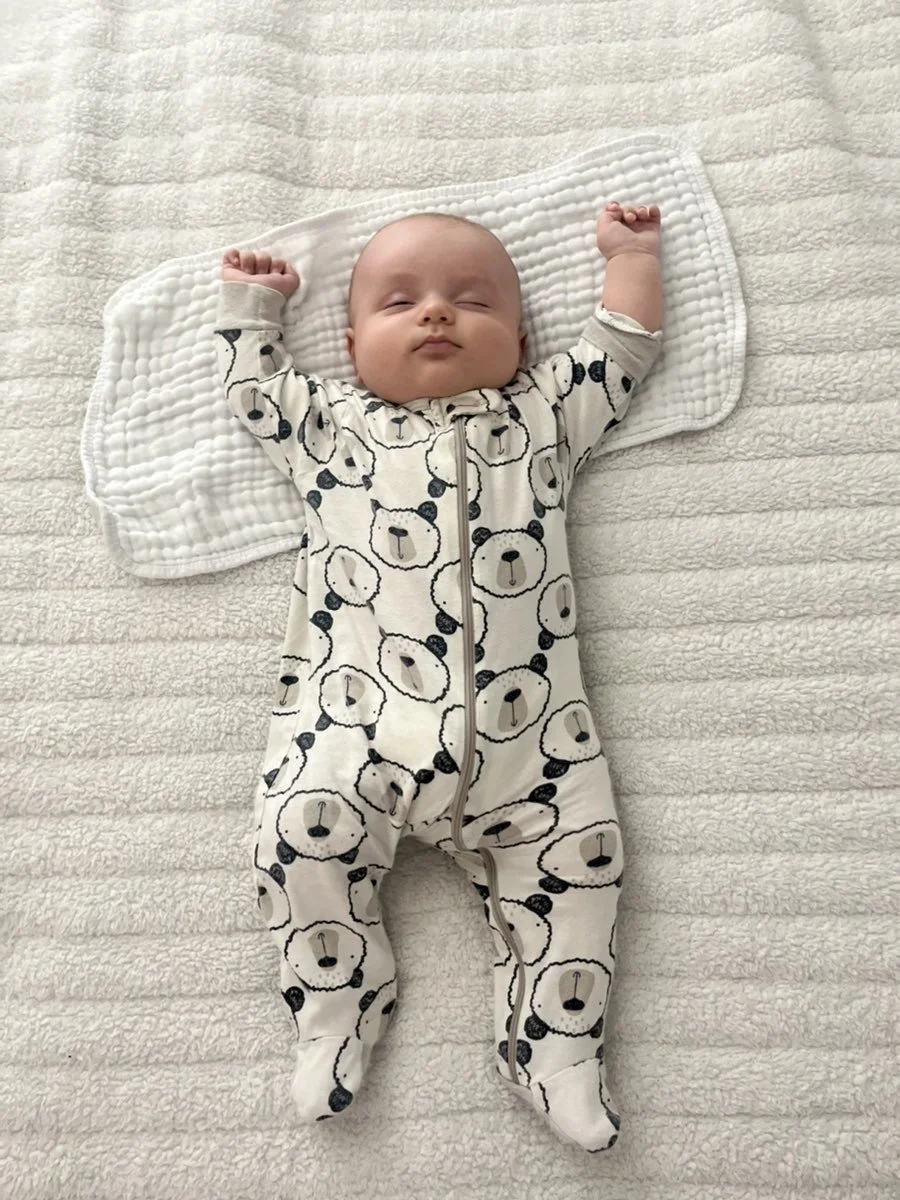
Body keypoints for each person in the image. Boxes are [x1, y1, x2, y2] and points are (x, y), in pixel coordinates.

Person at [214, 203, 663, 1152]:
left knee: (586, 861)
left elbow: (620, 351)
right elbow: (256, 391)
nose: (436, 313)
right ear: (349, 347)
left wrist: (631, 256)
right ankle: (337, 1007)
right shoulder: (332, 429)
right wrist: (253, 308)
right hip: (352, 726)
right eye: (400, 302)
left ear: (522, 341)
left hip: (531, 746)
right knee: (293, 839)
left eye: (473, 301)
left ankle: (556, 1047)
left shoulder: (540, 417)